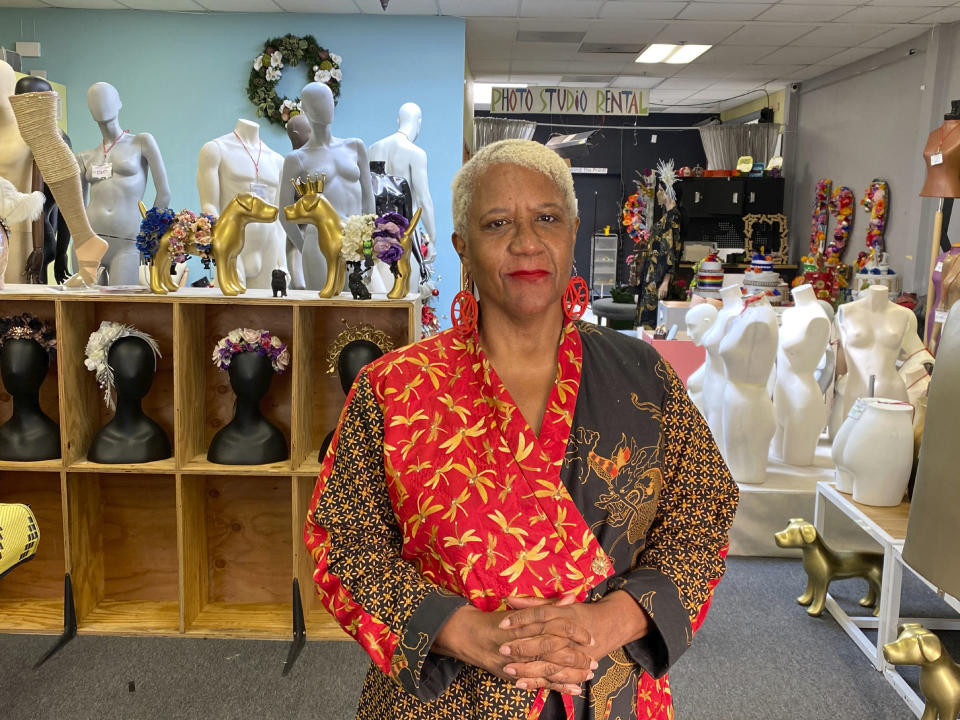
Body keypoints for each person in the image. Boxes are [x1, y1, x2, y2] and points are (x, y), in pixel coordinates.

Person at [304, 139, 738, 720]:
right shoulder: (395, 388)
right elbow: (343, 542)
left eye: (547, 219)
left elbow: (704, 512)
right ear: (462, 246)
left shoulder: (645, 376)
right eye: (498, 222)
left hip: (607, 690)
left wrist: (607, 622)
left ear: (573, 232)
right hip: (446, 698)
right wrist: (462, 631)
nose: (527, 242)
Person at [631, 159, 682, 329]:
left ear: (668, 192)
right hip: (651, 273)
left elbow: (671, 251)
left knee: (651, 318)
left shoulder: (673, 218)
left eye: (661, 190)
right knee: (644, 315)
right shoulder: (666, 217)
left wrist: (666, 281)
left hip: (658, 277)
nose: (659, 193)